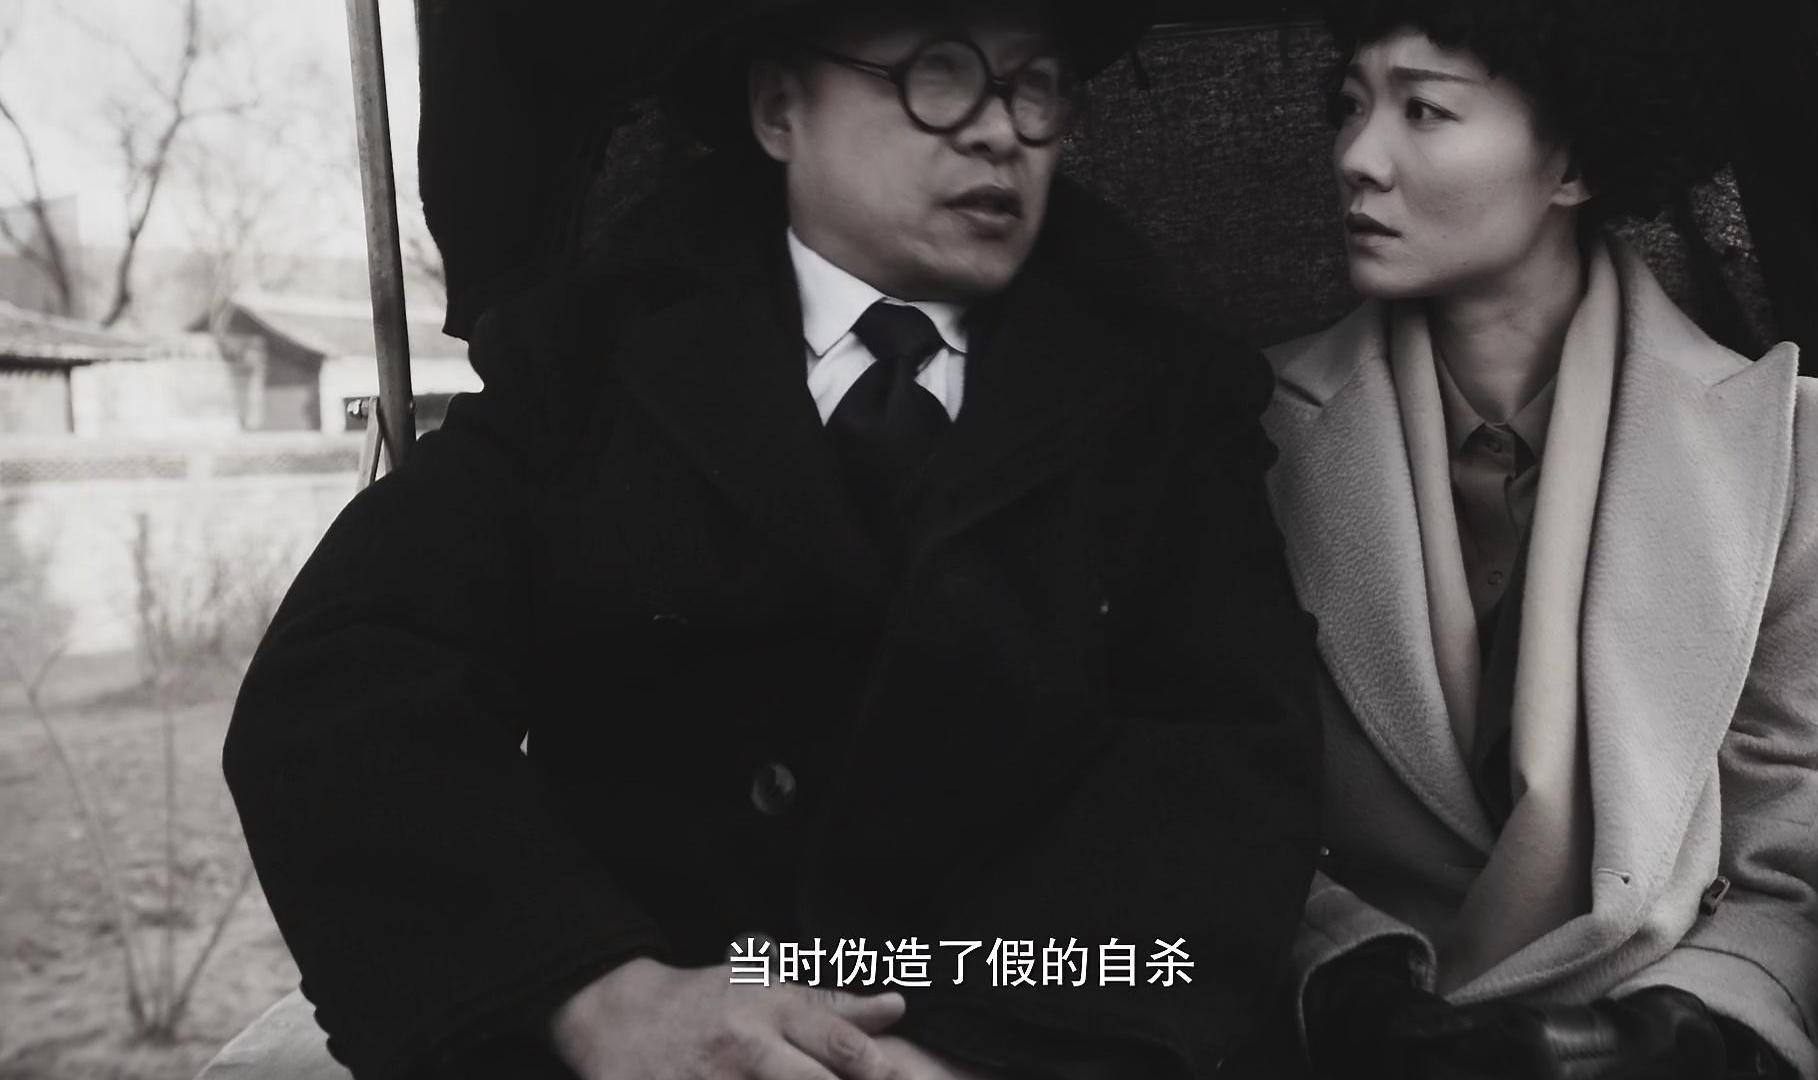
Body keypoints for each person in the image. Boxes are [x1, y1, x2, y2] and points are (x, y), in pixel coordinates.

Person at [223, 2, 1324, 1079]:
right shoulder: (584, 364)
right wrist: (594, 994)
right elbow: (346, 686)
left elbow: (1229, 761)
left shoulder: (1164, 393)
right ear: (779, 108)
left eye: (1035, 87)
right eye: (942, 72)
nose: (1001, 131)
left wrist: (989, 1047)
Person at [1261, 2, 1818, 1078]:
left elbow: (1786, 862)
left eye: (1424, 110)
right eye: (1350, 106)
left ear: (1574, 164)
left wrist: (1685, 1029)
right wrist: (1345, 980)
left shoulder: (1798, 453)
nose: (1356, 155)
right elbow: (1217, 802)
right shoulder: (1246, 432)